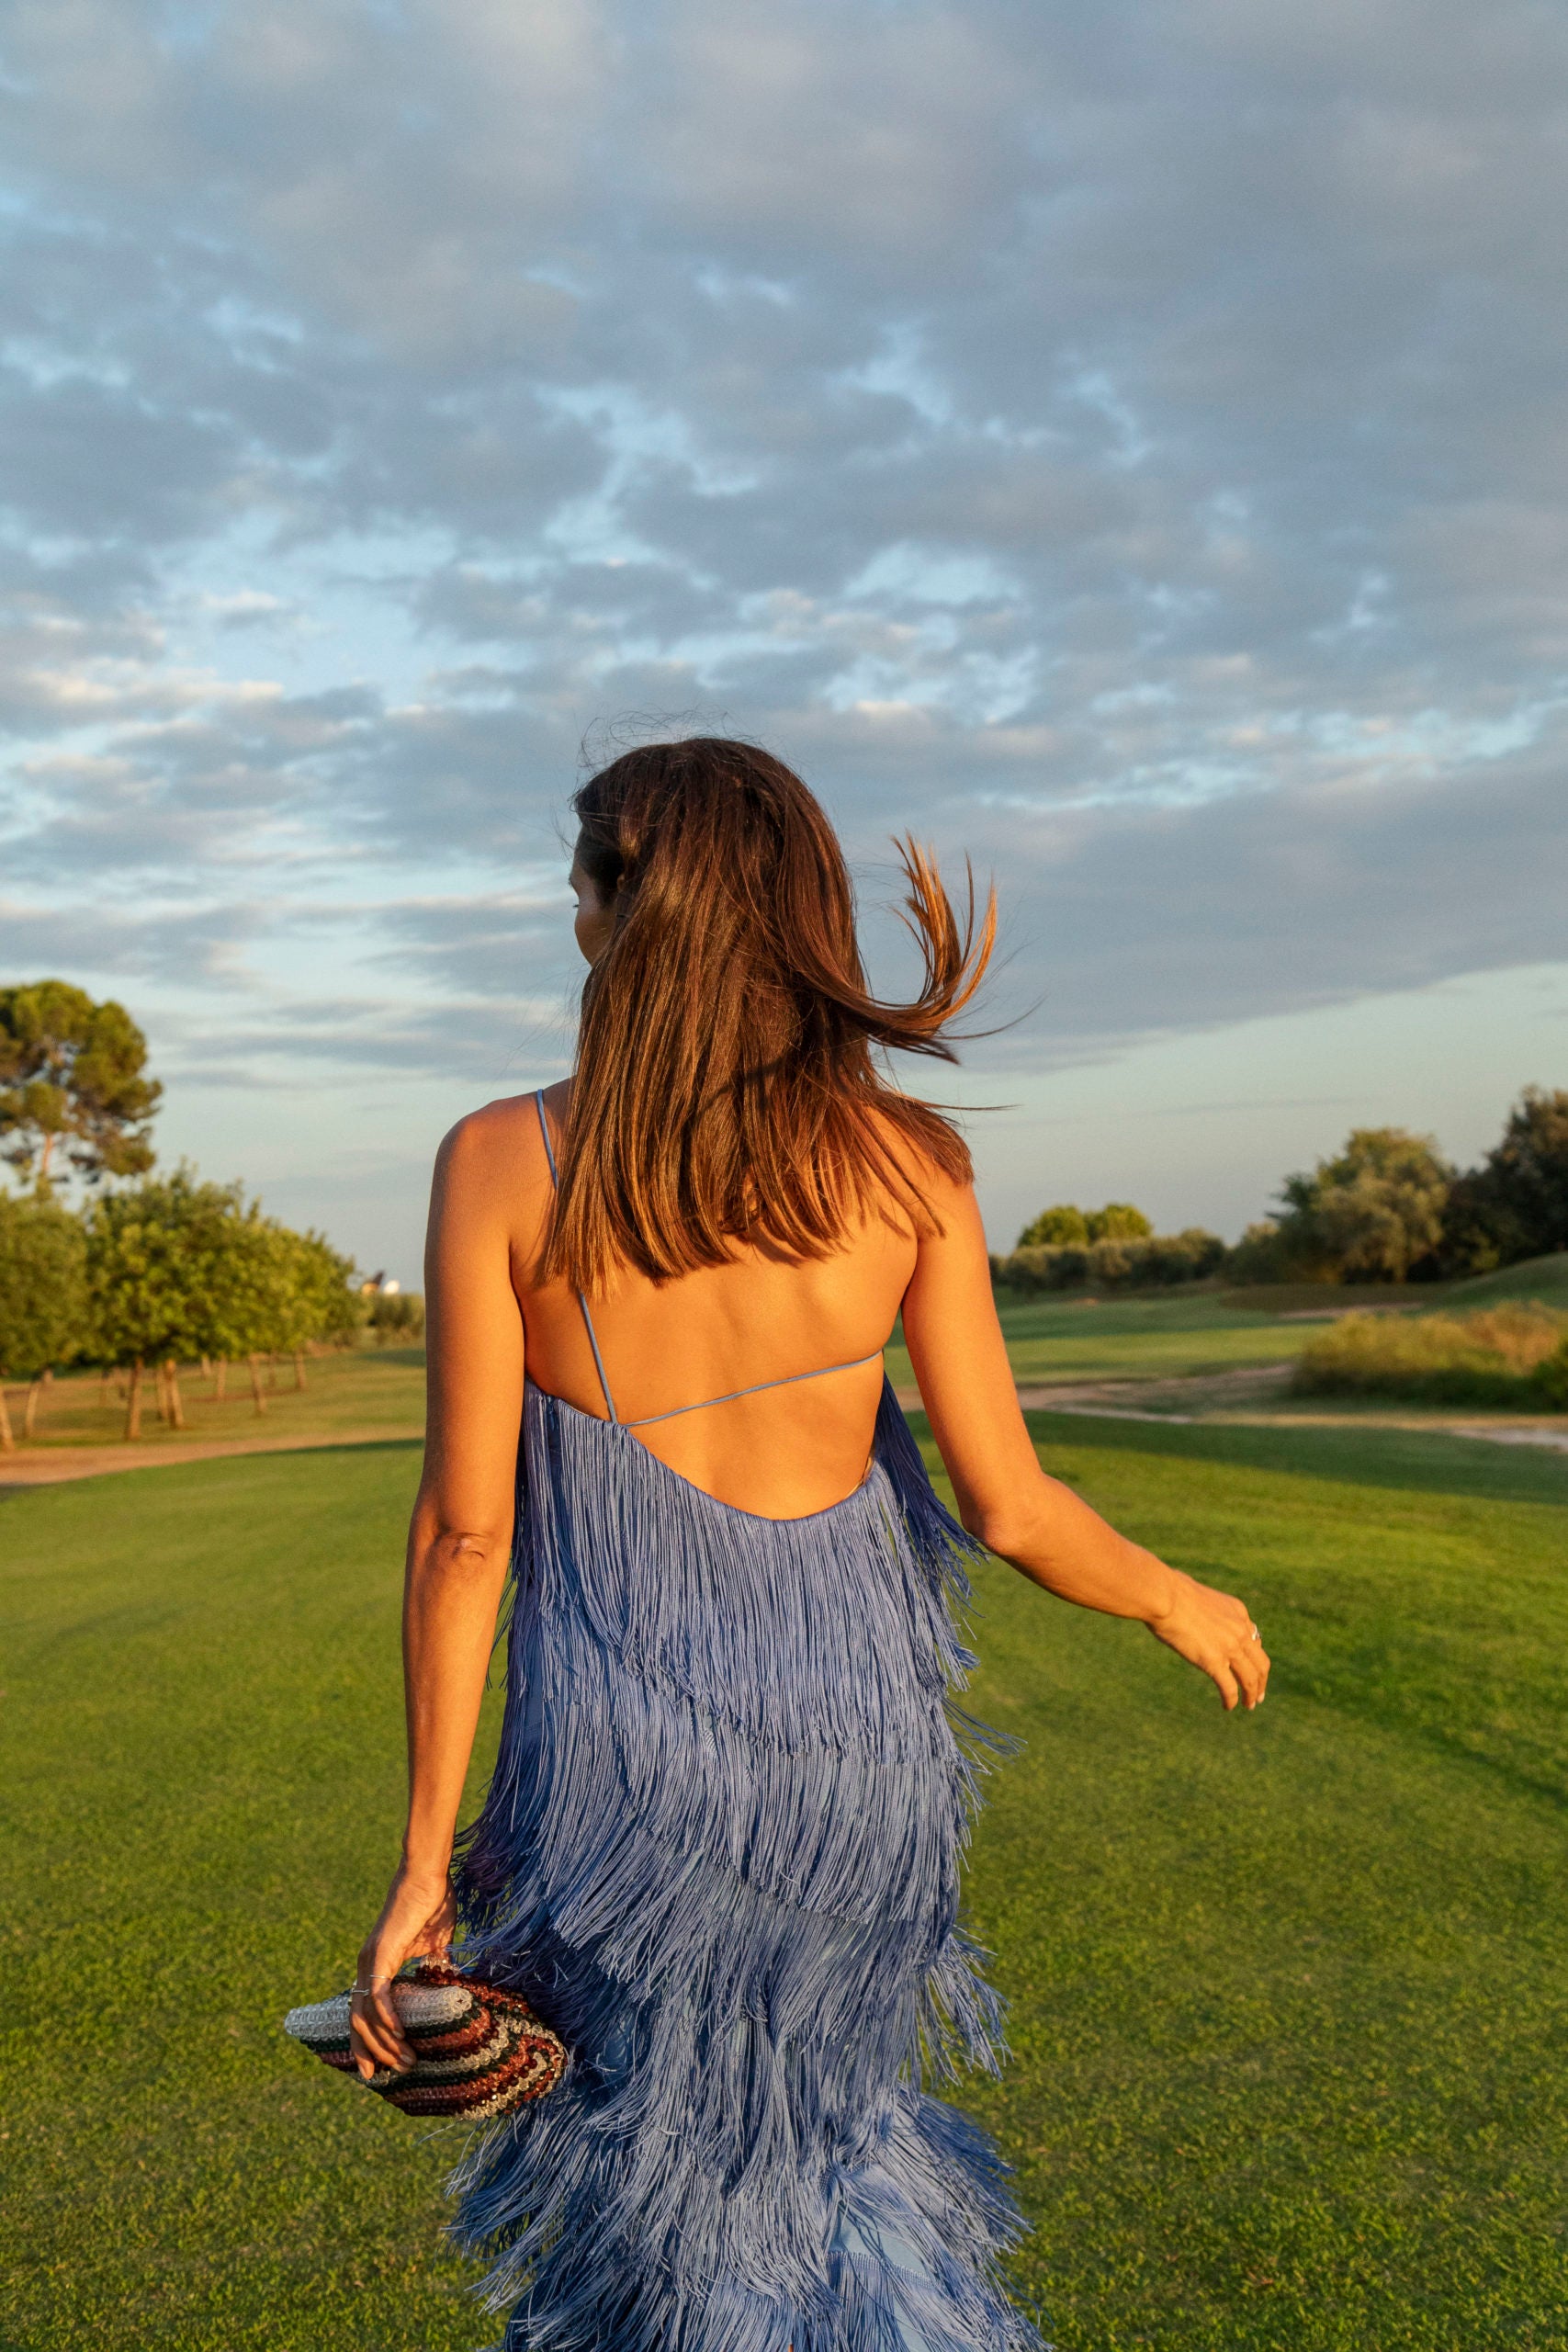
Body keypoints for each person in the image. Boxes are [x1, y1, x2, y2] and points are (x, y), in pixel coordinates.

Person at [349, 737, 1269, 2352]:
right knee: (827, 2155)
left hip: (624, 1797)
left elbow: (468, 1537)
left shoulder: (505, 1159)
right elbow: (1013, 1507)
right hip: (861, 1784)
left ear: (615, 911)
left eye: (576, 884)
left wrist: (427, 1868)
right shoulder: (910, 1167)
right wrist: (1178, 1597)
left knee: (659, 2198)